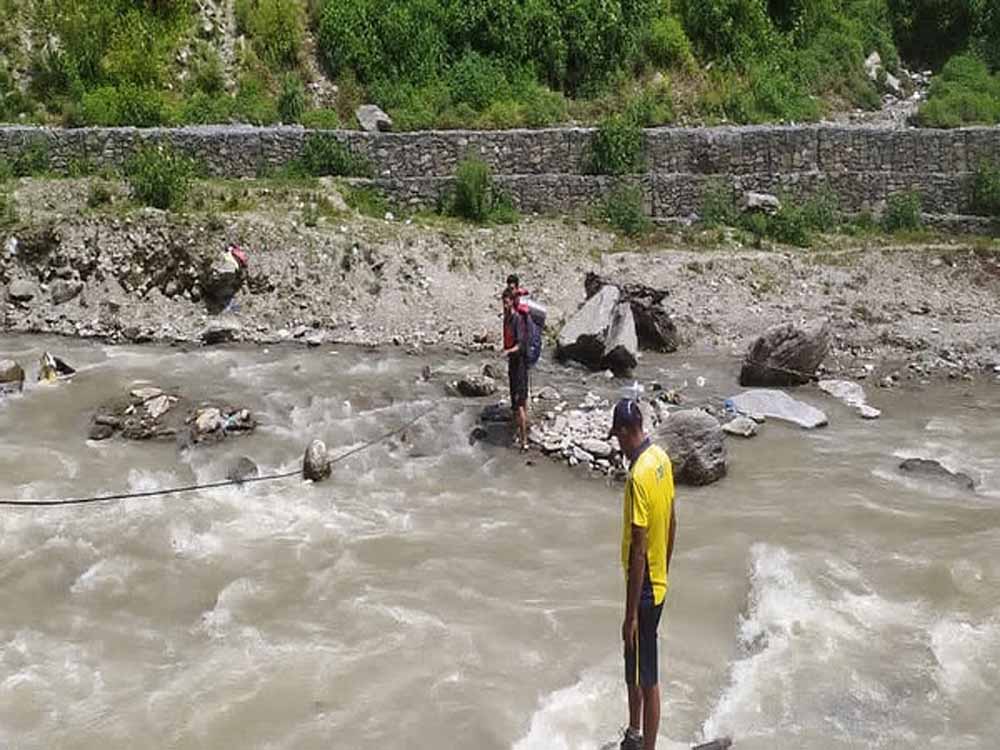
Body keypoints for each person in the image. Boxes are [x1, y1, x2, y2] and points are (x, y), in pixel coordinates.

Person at [609, 399, 676, 750]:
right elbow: (673, 521)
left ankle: (646, 746)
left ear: (624, 432)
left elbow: (638, 548)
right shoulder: (660, 459)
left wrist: (631, 614)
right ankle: (634, 733)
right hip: (657, 580)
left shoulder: (638, 476)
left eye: (617, 436)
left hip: (644, 589)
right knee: (634, 664)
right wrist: (665, 565)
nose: (617, 445)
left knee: (647, 678)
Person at [501, 287, 530, 451]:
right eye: (503, 303)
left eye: (506, 303)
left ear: (512, 302)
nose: (504, 306)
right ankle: (516, 432)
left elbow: (520, 345)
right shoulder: (506, 319)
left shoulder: (518, 320)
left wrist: (508, 351)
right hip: (512, 364)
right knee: (514, 401)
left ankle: (524, 441)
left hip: (520, 365)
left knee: (520, 404)